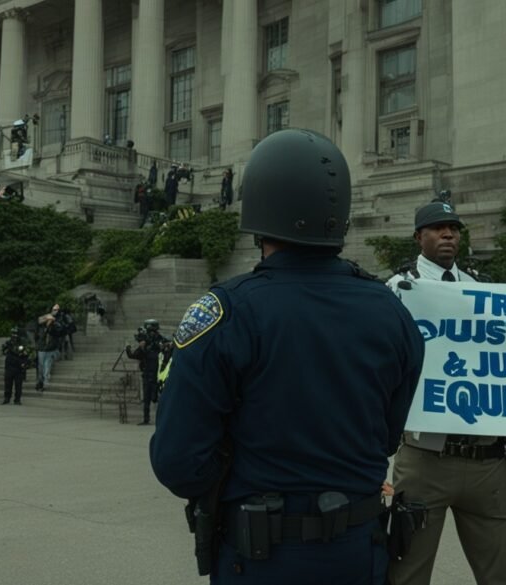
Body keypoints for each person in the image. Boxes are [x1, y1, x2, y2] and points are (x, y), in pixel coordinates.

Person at [149, 129, 424, 584]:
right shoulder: (392, 312)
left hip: (262, 557)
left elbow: (178, 462)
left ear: (259, 207)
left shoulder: (228, 310)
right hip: (359, 553)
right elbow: (387, 436)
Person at [385, 199, 506, 585]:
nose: (448, 234)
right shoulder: (395, 291)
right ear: (418, 236)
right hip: (426, 458)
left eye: (453, 228)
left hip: (486, 460)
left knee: (497, 575)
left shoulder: (483, 290)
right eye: (438, 228)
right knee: (408, 573)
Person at [125, 319, 164, 426]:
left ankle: (162, 420)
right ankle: (146, 419)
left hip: (158, 376)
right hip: (147, 375)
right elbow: (133, 355)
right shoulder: (145, 344)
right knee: (146, 399)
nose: (151, 334)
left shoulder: (159, 342)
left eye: (152, 332)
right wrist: (128, 347)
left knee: (157, 398)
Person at [35, 305, 65, 391]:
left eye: (57, 310)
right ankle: (40, 382)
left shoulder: (58, 321)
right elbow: (39, 320)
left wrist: (53, 320)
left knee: (47, 367)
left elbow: (60, 329)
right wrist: (48, 318)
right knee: (40, 367)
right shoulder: (43, 320)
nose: (56, 311)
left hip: (51, 348)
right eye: (54, 309)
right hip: (41, 348)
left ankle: (45, 383)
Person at [0, 327, 31, 405]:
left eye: (15, 334)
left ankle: (17, 399)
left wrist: (24, 363)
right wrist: (5, 349)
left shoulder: (22, 344)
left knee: (18, 385)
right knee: (8, 384)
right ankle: (7, 398)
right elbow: (3, 351)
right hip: (10, 366)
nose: (14, 336)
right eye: (13, 334)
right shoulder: (8, 343)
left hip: (18, 367)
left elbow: (26, 354)